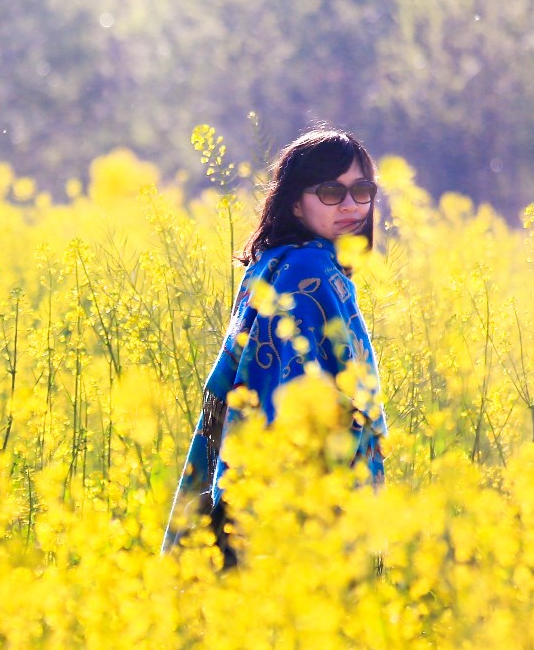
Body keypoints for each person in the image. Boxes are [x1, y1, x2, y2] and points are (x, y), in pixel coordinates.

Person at [162, 126, 388, 562]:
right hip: (295, 502)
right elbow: (312, 398)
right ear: (295, 203)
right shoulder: (309, 269)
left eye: (361, 190)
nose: (349, 205)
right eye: (329, 191)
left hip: (246, 483)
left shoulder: (271, 264)